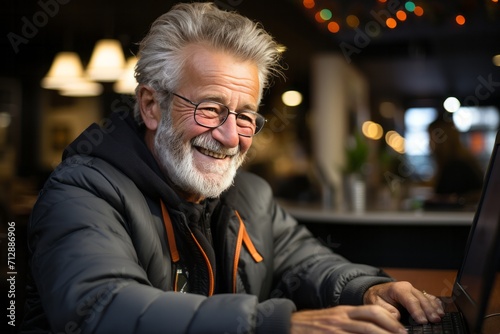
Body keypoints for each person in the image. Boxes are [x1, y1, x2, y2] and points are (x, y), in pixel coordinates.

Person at [22, 3, 444, 333]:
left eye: (245, 116)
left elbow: (305, 262)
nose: (230, 136)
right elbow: (101, 308)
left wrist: (365, 289)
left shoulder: (250, 195)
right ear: (152, 106)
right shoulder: (79, 193)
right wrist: (271, 325)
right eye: (210, 108)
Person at [425, 116, 484, 209]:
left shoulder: (454, 168)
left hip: (460, 220)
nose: (429, 144)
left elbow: (444, 202)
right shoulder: (463, 161)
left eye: (430, 138)